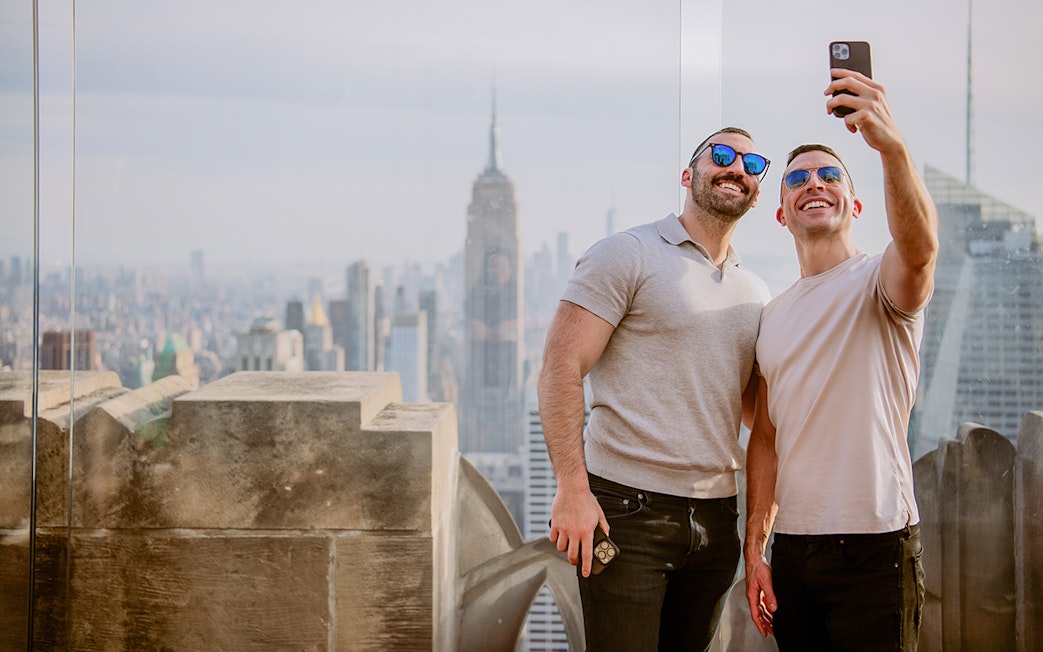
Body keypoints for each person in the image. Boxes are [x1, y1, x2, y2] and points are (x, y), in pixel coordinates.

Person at [538, 127, 772, 651]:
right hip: (626, 513)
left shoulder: (754, 293)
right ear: (688, 175)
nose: (737, 168)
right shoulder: (629, 254)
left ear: (758, 191)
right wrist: (572, 488)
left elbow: (761, 416)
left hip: (716, 520)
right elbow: (560, 365)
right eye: (723, 155)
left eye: (752, 164)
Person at [743, 69, 938, 651]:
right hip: (797, 552)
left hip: (877, 546)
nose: (814, 184)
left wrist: (891, 148)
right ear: (781, 213)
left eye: (830, 175)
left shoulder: (881, 280)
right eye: (798, 179)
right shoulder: (772, 316)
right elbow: (769, 437)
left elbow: (922, 250)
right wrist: (756, 545)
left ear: (853, 202)